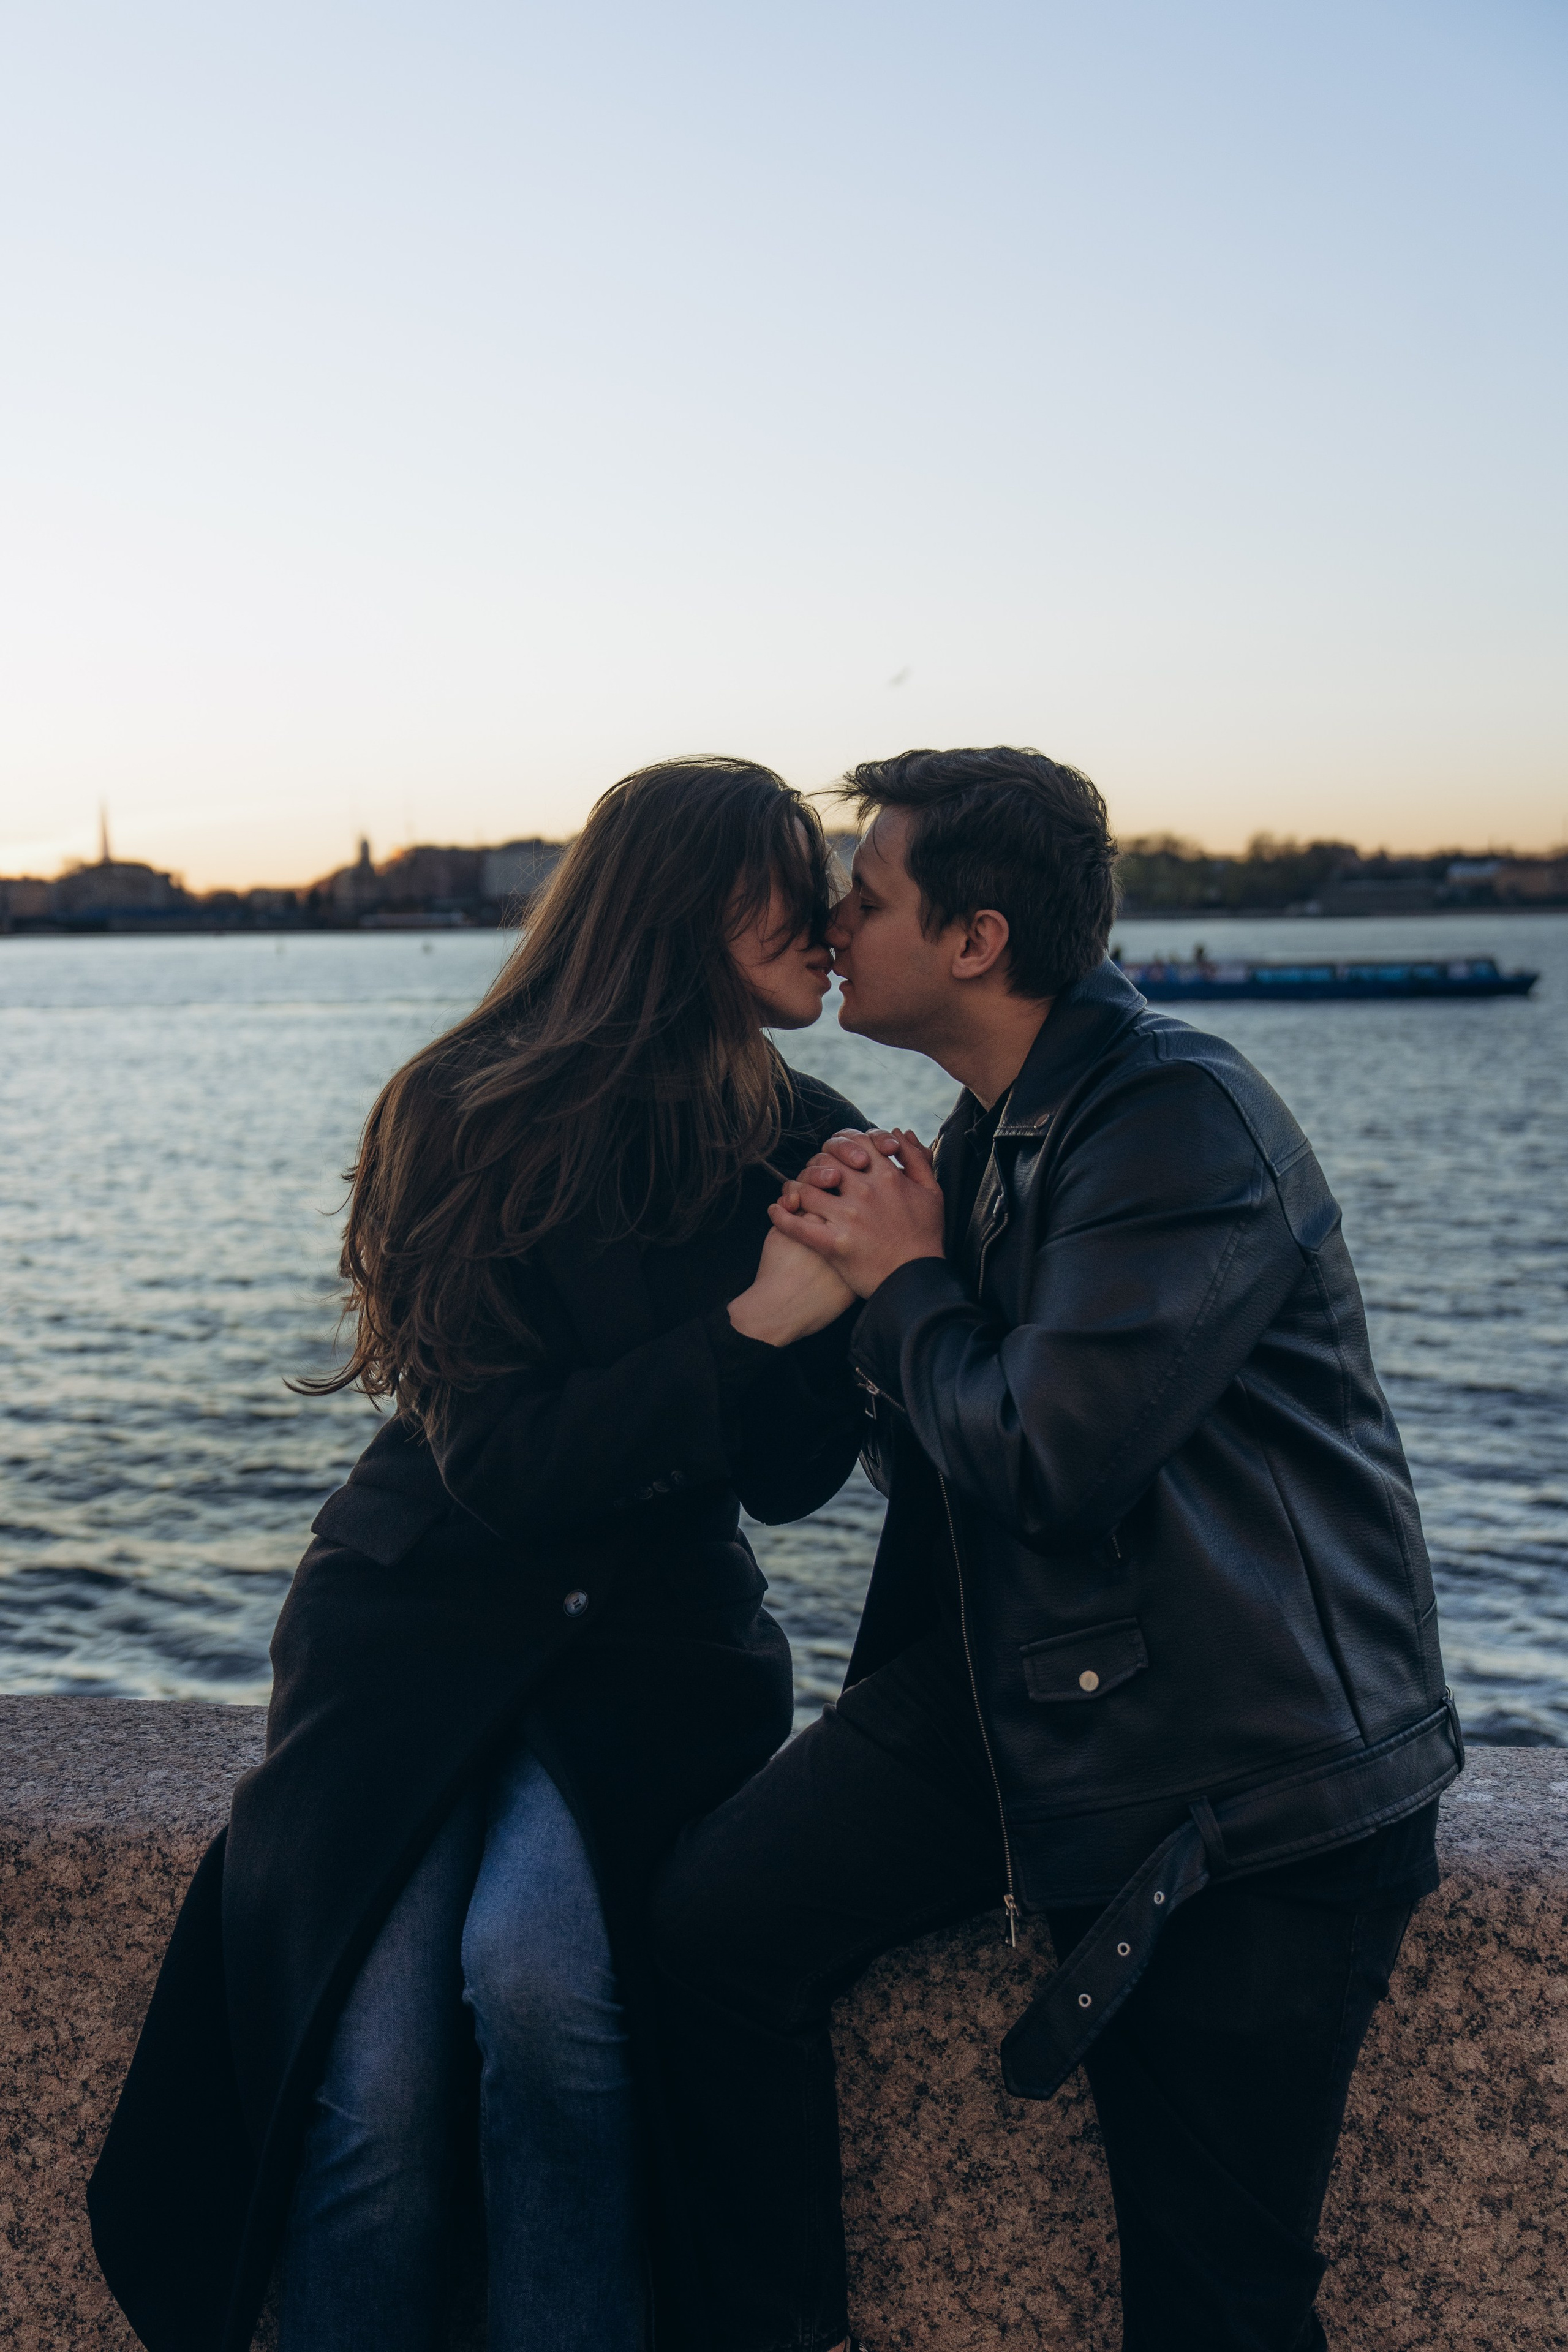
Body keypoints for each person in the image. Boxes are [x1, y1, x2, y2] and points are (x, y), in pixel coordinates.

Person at [651, 745, 1464, 2352]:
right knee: (704, 1936)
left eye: (865, 892)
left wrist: (901, 1286)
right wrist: (825, 1292)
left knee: (1212, 2289)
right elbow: (937, 1450)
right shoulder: (992, 1133)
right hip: (1037, 1698)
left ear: (975, 938)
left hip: (1246, 1772)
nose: (832, 917)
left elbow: (1047, 1452)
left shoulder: (1175, 1121)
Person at [88, 756, 870, 2352]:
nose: (835, 915)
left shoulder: (812, 1132)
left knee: (544, 1992)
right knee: (368, 2074)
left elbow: (790, 1487)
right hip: (414, 1620)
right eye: (792, 876)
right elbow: (506, 1469)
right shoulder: (468, 1110)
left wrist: (861, 1300)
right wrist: (749, 1327)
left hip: (651, 1644)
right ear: (679, 903)